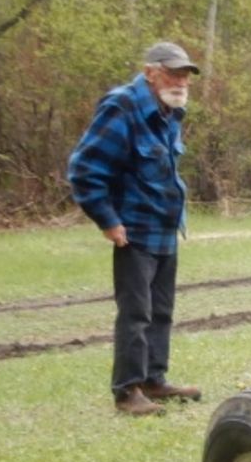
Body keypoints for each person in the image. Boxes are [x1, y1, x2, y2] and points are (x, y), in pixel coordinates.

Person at [68, 41, 204, 417]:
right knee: (136, 313)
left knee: (161, 310)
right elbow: (85, 168)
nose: (181, 81)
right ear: (150, 72)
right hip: (134, 229)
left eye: (186, 75)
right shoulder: (122, 106)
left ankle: (154, 381)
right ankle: (127, 391)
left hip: (163, 226)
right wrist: (107, 220)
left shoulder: (170, 110)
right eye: (173, 73)